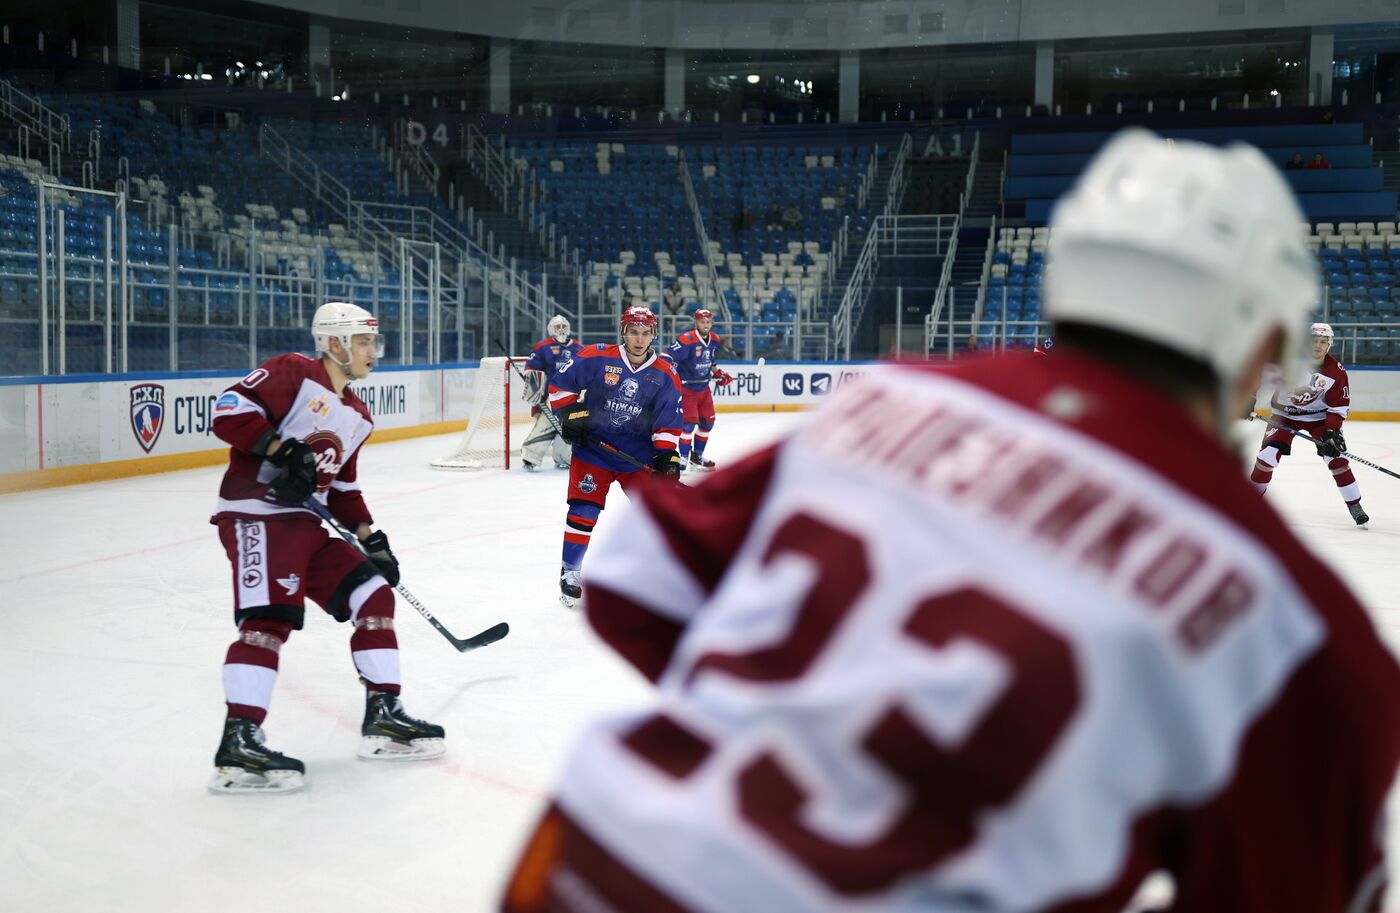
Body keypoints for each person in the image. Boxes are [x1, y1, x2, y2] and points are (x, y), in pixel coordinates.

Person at [499, 130, 1400, 912]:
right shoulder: (1306, 630)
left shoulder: (894, 399)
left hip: (589, 863)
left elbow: (633, 581)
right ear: (1257, 341)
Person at [208, 302, 444, 794]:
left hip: (306, 526)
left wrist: (371, 538)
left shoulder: (357, 414)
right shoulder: (294, 371)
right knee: (267, 622)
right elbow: (229, 411)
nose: (371, 351)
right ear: (334, 343)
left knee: (374, 592)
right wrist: (280, 449)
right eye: (362, 342)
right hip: (257, 514)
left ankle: (383, 714)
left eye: (371, 342)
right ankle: (240, 742)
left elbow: (341, 488)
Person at [548, 305, 684, 607]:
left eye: (646, 333)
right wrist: (573, 416)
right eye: (633, 332)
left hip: (638, 455)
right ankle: (570, 572)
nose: (639, 339)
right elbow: (559, 387)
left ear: (653, 335)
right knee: (584, 511)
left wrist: (666, 458)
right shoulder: (597, 356)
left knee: (654, 515)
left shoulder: (665, 373)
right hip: (593, 451)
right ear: (624, 332)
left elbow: (668, 421)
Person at [1250, 322, 1369, 527]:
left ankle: (1355, 505)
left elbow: (1338, 407)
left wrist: (1331, 430)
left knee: (1337, 459)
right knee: (1267, 457)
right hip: (1284, 415)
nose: (1318, 346)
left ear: (1329, 345)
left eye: (1324, 342)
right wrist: (1249, 398)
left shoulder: (1335, 372)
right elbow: (1257, 376)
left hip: (1319, 419)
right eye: (1315, 341)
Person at [667, 307, 732, 471]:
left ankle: (697, 456)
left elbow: (711, 363)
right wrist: (666, 375)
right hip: (687, 389)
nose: (706, 325)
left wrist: (719, 374)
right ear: (696, 322)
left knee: (707, 424)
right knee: (688, 426)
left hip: (704, 389)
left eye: (708, 322)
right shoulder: (687, 339)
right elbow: (667, 357)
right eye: (702, 322)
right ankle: (683, 458)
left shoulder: (715, 340)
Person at [521, 314, 583, 472]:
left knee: (568, 427)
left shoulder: (578, 347)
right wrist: (532, 381)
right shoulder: (544, 347)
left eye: (563, 326)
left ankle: (563, 456)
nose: (561, 329)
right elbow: (532, 367)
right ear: (550, 329)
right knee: (546, 424)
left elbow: (586, 369)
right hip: (553, 394)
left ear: (568, 328)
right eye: (557, 327)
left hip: (573, 395)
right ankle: (530, 456)